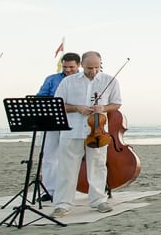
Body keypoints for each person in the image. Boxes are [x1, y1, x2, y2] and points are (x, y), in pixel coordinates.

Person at [51, 51, 121, 217]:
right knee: (66, 168)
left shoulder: (110, 80)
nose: (94, 71)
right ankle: (62, 204)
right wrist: (77, 108)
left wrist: (103, 108)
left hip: (98, 130)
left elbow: (116, 104)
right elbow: (58, 104)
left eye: (97, 67)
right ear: (82, 65)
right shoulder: (68, 82)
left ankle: (98, 200)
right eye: (90, 68)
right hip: (72, 129)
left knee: (97, 165)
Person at [35, 52, 81, 201]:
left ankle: (69, 190)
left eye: (71, 67)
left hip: (76, 121)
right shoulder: (52, 79)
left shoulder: (84, 80)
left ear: (79, 65)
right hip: (52, 120)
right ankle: (49, 190)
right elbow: (40, 97)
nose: (67, 70)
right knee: (49, 155)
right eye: (65, 67)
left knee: (71, 156)